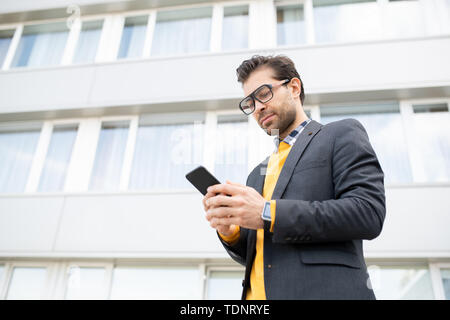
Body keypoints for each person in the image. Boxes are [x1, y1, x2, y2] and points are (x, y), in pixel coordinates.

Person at [202, 54, 386, 300]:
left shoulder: (340, 134)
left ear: (294, 87)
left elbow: (368, 213)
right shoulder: (256, 174)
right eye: (250, 102)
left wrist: (267, 213)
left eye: (264, 93)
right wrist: (231, 231)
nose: (257, 108)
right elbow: (258, 256)